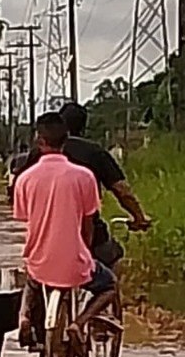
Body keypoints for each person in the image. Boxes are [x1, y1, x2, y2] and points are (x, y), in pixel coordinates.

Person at [12, 113, 118, 349]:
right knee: (110, 285)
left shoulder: (25, 179)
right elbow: (88, 223)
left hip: (40, 261)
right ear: (66, 139)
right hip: (74, 262)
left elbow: (25, 218)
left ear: (39, 141)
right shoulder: (84, 176)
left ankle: (24, 317)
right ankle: (79, 323)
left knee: (31, 279)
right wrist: (85, 251)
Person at [22, 100, 151, 268]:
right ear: (83, 127)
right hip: (89, 239)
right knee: (110, 265)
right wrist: (139, 217)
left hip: (44, 241)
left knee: (35, 275)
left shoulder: (38, 154)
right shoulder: (94, 152)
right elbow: (122, 190)